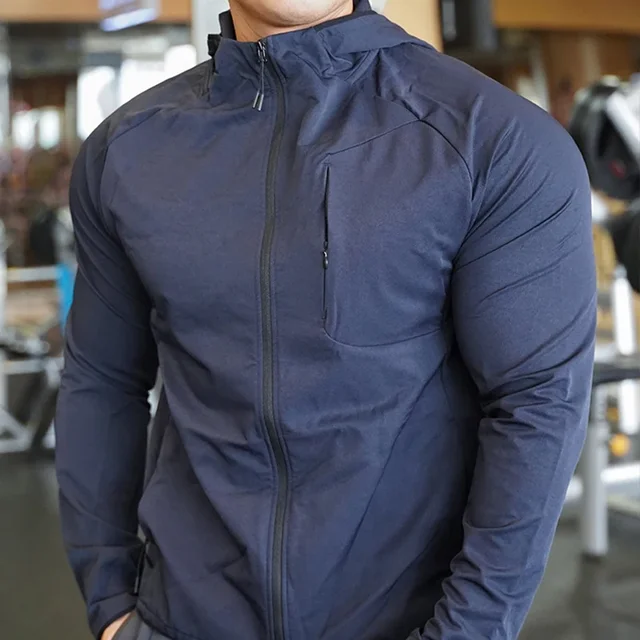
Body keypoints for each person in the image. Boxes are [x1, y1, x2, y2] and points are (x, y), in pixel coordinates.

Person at [55, 1, 596, 640]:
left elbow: (536, 408)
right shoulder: (127, 150)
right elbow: (101, 379)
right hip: (178, 620)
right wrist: (110, 601)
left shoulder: (494, 140)